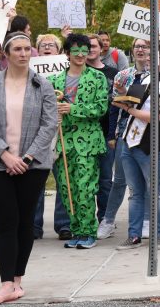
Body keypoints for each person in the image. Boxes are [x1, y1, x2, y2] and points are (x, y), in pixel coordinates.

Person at [0, 32, 58, 305]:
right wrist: (5, 155)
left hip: (33, 165)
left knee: (24, 221)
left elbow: (49, 124)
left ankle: (17, 280)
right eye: (17, 49)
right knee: (6, 222)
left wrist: (27, 157)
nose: (23, 54)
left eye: (26, 49)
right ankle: (6, 284)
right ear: (6, 55)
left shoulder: (42, 85)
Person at [115, 40, 160, 250]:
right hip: (130, 141)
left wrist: (127, 109)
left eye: (154, 55)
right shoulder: (146, 77)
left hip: (152, 145)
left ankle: (159, 235)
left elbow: (155, 116)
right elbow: (134, 99)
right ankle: (134, 235)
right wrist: (122, 91)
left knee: (157, 192)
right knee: (135, 192)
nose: (148, 58)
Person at [49, 33, 109, 249]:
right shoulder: (54, 80)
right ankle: (76, 230)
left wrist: (73, 108)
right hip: (63, 143)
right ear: (67, 53)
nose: (81, 54)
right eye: (76, 50)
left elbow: (101, 108)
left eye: (85, 50)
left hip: (88, 144)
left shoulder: (97, 77)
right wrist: (54, 114)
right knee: (67, 189)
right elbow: (46, 109)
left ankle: (89, 231)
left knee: (85, 188)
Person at [95, 37, 150, 240]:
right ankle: (108, 220)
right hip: (124, 131)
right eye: (137, 46)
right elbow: (114, 107)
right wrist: (112, 134)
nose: (140, 50)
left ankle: (147, 220)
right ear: (132, 50)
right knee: (119, 180)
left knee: (148, 179)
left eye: (145, 46)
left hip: (149, 132)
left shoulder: (156, 75)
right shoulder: (123, 75)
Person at [86, 34, 119, 224]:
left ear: (101, 49)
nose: (90, 49)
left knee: (106, 179)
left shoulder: (113, 73)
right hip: (84, 134)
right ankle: (85, 220)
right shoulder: (77, 72)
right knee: (85, 179)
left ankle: (105, 219)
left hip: (107, 133)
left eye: (94, 46)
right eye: (87, 46)